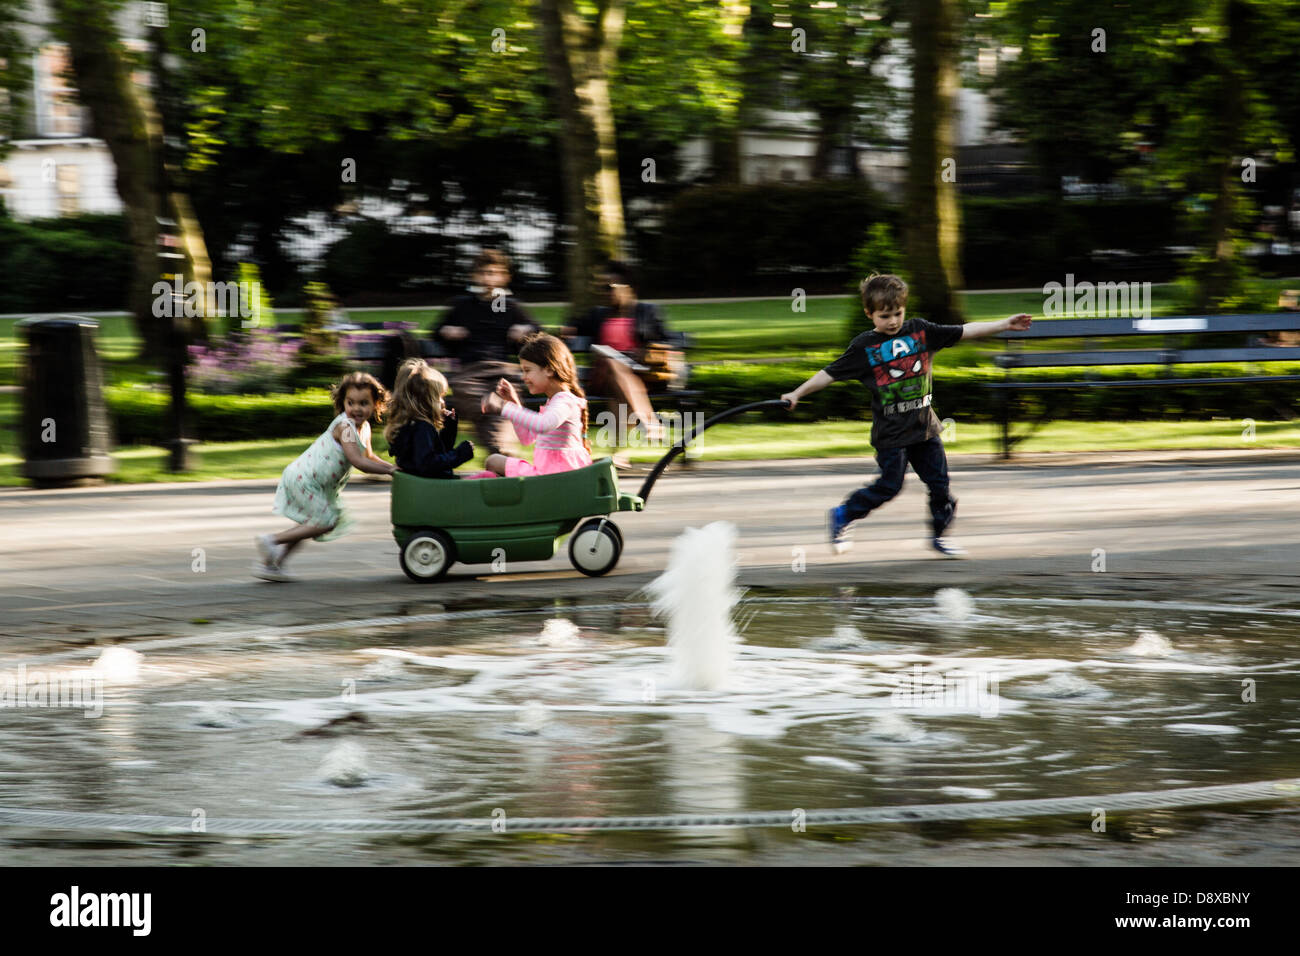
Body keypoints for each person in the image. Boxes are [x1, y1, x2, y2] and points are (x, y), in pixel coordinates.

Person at [780, 274, 1032, 558]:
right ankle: (843, 514)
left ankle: (939, 536)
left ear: (904, 308)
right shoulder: (864, 347)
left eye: (897, 313)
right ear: (869, 314)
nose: (893, 321)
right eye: (884, 315)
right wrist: (797, 393)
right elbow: (829, 373)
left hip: (925, 428)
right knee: (889, 486)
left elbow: (964, 330)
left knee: (940, 486)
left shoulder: (921, 332)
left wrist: (1003, 324)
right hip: (891, 435)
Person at [255, 371, 398, 580]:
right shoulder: (345, 428)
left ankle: (273, 564)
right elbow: (358, 462)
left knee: (311, 524)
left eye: (364, 403)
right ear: (343, 403)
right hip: (305, 479)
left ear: (376, 404)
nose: (356, 408)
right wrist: (390, 471)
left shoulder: (363, 427)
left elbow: (369, 456)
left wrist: (394, 468)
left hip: (317, 484)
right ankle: (271, 540)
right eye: (351, 403)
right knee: (325, 522)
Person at [432, 249, 540, 456]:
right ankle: (502, 451)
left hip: (502, 371)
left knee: (503, 397)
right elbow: (437, 332)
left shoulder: (509, 306)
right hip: (471, 373)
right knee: (493, 403)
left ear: (504, 277)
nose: (488, 278)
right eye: (484, 273)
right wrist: (448, 331)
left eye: (494, 273)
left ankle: (499, 453)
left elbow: (537, 331)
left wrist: (525, 331)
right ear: (475, 276)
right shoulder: (462, 305)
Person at [565, 261, 675, 444]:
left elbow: (669, 340)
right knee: (612, 363)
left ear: (628, 287)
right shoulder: (597, 314)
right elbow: (572, 325)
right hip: (603, 374)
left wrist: (646, 350)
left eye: (610, 287)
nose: (606, 292)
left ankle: (619, 455)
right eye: (603, 288)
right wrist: (567, 330)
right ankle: (650, 422)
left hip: (640, 374)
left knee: (617, 391)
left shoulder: (647, 311)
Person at [476, 333, 592, 477]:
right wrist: (514, 403)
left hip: (557, 480)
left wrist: (504, 407)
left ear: (549, 370)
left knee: (493, 461)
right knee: (493, 462)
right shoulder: (554, 402)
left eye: (527, 370)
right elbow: (527, 439)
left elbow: (543, 425)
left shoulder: (565, 401)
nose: (523, 377)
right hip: (549, 476)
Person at [384, 358, 474, 479]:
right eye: (439, 397)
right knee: (489, 476)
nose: (443, 403)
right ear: (427, 401)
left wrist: (449, 427)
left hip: (422, 486)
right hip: (433, 488)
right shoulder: (422, 428)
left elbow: (438, 454)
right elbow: (429, 465)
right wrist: (460, 454)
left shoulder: (408, 426)